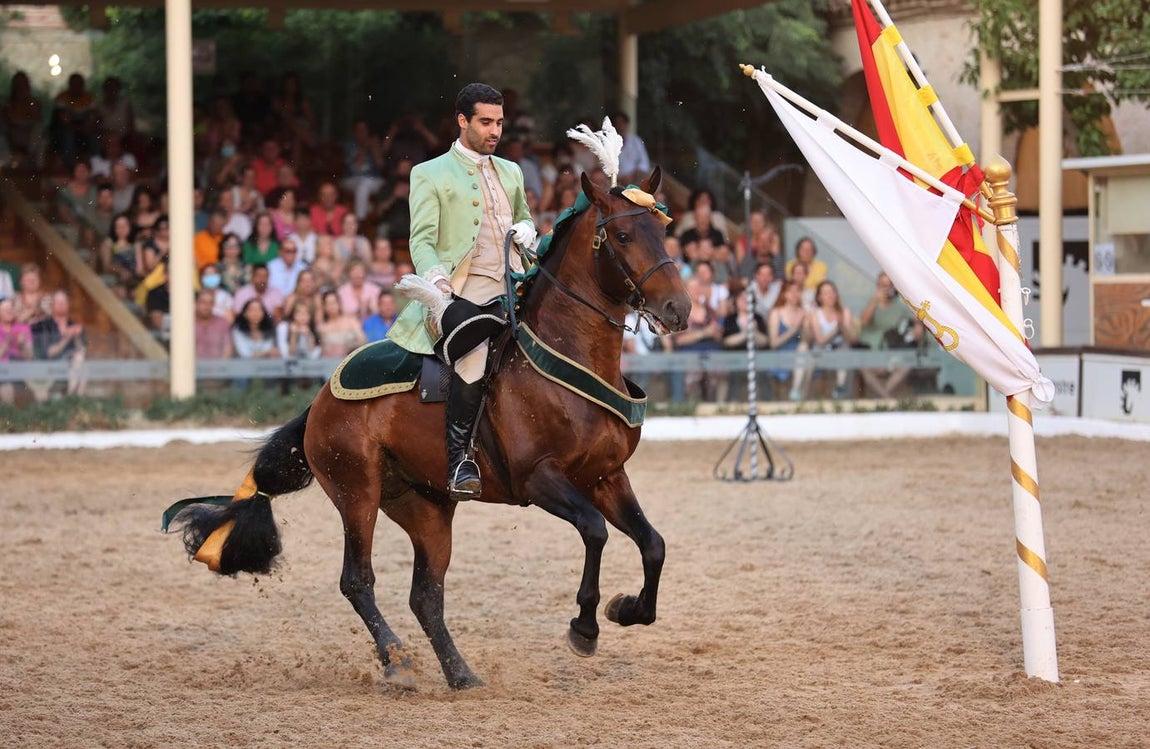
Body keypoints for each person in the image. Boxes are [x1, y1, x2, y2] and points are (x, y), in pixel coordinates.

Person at [387, 82, 535, 500]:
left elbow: (524, 218)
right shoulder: (428, 172)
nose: (495, 131)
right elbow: (421, 241)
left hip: (515, 283)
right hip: (463, 289)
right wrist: (436, 285)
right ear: (462, 121)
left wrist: (528, 230)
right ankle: (460, 462)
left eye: (499, 123)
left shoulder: (512, 171)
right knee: (473, 354)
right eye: (486, 122)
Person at [858, 272, 919, 399]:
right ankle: (887, 399)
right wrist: (876, 300)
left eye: (889, 285)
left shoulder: (900, 308)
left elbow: (913, 327)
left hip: (892, 355)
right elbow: (864, 320)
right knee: (863, 367)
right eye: (883, 285)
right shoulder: (871, 303)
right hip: (871, 353)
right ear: (877, 286)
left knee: (906, 365)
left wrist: (918, 326)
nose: (886, 288)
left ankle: (883, 398)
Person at [804, 280, 858, 399]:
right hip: (820, 352)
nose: (830, 295)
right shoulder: (815, 314)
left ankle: (840, 389)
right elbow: (820, 340)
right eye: (826, 292)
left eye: (832, 291)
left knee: (844, 350)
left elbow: (852, 339)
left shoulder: (845, 312)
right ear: (819, 297)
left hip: (840, 351)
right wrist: (836, 329)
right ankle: (803, 394)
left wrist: (844, 326)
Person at [30, 289, 87, 401]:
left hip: (71, 368)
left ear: (68, 305)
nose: (61, 305)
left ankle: (73, 399)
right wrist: (67, 338)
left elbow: (82, 350)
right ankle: (71, 400)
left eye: (64, 302)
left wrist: (77, 337)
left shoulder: (74, 325)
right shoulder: (42, 326)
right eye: (58, 302)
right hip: (48, 368)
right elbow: (49, 353)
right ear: (52, 305)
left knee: (82, 363)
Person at [767, 280, 807, 401]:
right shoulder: (776, 313)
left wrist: (805, 325)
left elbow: (807, 340)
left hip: (799, 355)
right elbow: (773, 343)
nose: (794, 294)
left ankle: (796, 390)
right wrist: (793, 329)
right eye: (791, 291)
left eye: (797, 291)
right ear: (784, 294)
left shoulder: (804, 313)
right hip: (781, 353)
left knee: (804, 348)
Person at [341, 118, 386, 221]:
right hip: (352, 179)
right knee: (363, 185)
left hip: (373, 179)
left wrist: (375, 149)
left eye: (364, 130)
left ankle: (378, 219)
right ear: (354, 132)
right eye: (359, 130)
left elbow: (381, 165)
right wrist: (365, 148)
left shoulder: (374, 144)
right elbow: (355, 169)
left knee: (385, 186)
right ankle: (361, 221)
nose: (362, 133)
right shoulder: (350, 146)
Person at [0, 297, 34, 404]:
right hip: (3, 373)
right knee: (7, 387)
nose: (9, 312)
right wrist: (6, 343)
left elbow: (30, 357)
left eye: (11, 309)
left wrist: (22, 345)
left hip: (21, 370)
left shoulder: (24, 328)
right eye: (5, 310)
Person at [316, 290, 366, 358]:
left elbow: (363, 340)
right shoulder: (323, 327)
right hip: (329, 361)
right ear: (324, 307)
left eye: (333, 302)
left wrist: (350, 345)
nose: (331, 306)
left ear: (339, 303)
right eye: (328, 304)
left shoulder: (351, 321)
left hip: (349, 360)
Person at [612, 111, 650, 186]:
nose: (620, 126)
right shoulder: (608, 143)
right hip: (616, 181)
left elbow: (644, 162)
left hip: (635, 178)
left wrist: (633, 175)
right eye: (617, 124)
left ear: (626, 125)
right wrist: (620, 178)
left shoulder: (636, 141)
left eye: (622, 123)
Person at [194, 288, 234, 360]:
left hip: (219, 367)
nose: (207, 306)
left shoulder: (222, 323)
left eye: (210, 303)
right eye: (203, 302)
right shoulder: (187, 324)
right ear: (196, 303)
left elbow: (228, 348)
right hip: (191, 368)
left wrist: (219, 367)